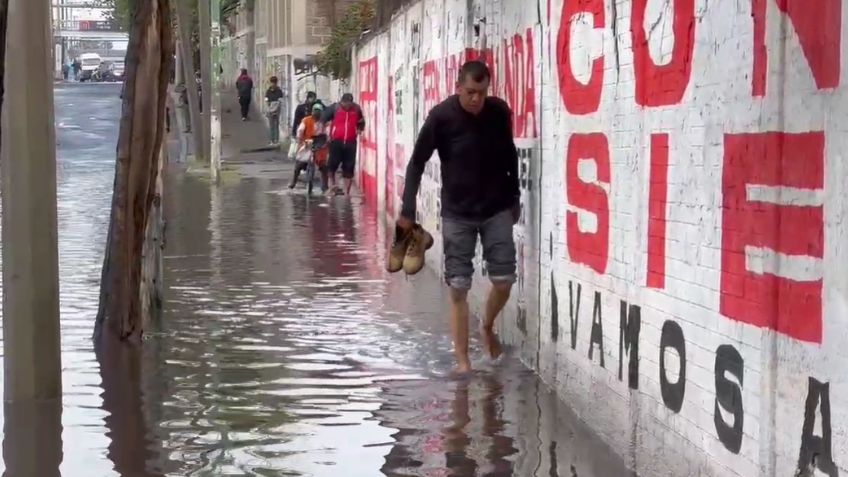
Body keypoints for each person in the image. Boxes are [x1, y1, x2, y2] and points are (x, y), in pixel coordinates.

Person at [391, 61, 520, 373]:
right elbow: (416, 163)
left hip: (497, 209)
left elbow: (509, 154)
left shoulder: (499, 112)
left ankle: (486, 326)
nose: (477, 99)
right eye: (471, 92)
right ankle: (463, 363)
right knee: (458, 286)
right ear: (458, 87)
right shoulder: (441, 117)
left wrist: (515, 196)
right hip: (457, 214)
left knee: (504, 280)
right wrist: (408, 210)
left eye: (482, 92)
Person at [321, 93, 365, 196]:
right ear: (342, 101)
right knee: (332, 165)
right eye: (345, 103)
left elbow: (361, 121)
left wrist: (359, 129)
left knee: (349, 167)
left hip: (351, 142)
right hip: (336, 141)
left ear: (352, 102)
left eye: (349, 103)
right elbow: (323, 118)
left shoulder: (356, 109)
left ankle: (347, 192)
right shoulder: (335, 108)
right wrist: (325, 132)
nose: (347, 106)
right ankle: (332, 186)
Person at [289, 103, 330, 192]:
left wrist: (327, 141)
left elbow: (328, 133)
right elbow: (300, 131)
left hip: (320, 145)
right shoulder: (306, 120)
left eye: (319, 112)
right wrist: (300, 140)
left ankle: (325, 185)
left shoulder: (324, 122)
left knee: (324, 166)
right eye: (315, 111)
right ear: (312, 112)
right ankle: (294, 181)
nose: (317, 114)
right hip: (307, 144)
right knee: (299, 165)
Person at [265, 76, 284, 146]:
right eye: (272, 82)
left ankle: (276, 140)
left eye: (274, 82)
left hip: (276, 110)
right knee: (271, 126)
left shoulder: (278, 91)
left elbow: (280, 100)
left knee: (276, 125)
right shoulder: (269, 91)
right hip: (271, 110)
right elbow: (267, 101)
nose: (273, 84)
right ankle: (272, 140)